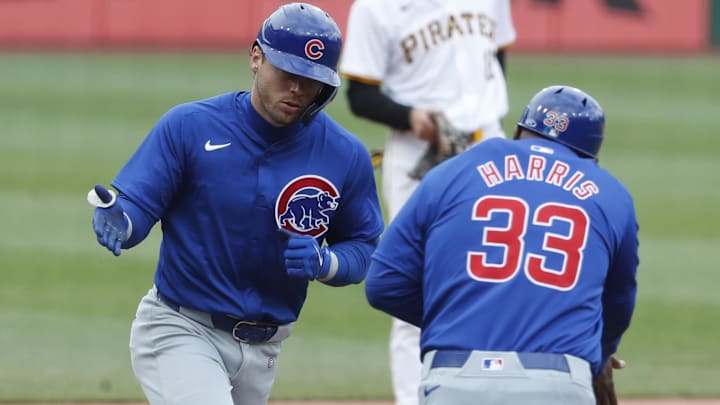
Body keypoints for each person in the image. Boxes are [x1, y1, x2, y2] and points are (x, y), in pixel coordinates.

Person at [86, 3, 384, 404]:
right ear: (256, 57)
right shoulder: (190, 127)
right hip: (180, 328)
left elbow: (364, 247)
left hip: (265, 350)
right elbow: (136, 208)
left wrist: (325, 263)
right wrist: (120, 220)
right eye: (288, 72)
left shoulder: (344, 155)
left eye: (311, 79)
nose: (298, 88)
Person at [365, 85, 639, 405]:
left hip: (453, 379)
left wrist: (464, 316)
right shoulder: (611, 194)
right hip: (558, 383)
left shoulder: (452, 172)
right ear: (593, 154)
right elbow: (618, 305)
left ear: (519, 131)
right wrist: (599, 357)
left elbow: (383, 283)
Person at [339, 1, 516, 404]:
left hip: (489, 144)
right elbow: (360, 95)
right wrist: (410, 115)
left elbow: (497, 55)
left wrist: (482, 112)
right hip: (417, 154)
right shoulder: (376, 8)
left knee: (500, 277)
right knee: (414, 283)